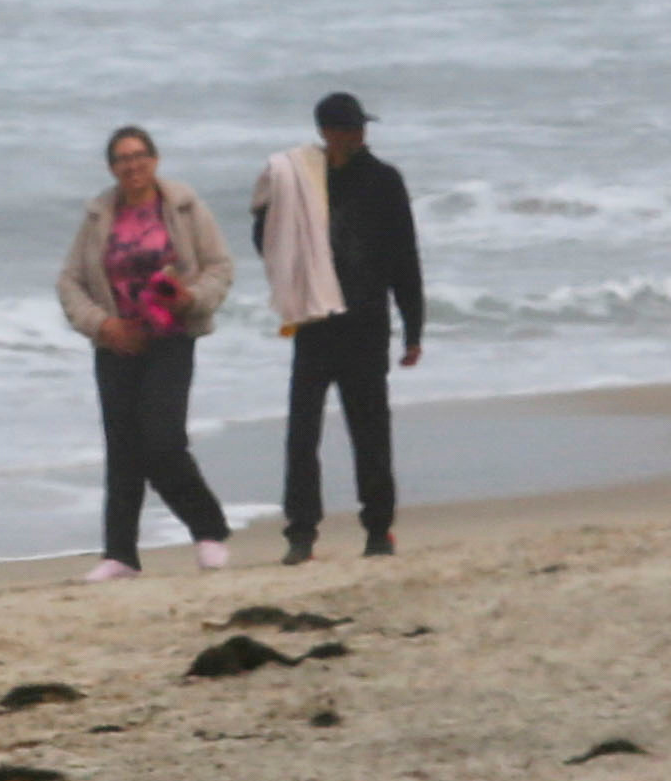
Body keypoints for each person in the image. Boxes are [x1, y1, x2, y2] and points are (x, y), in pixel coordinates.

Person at [251, 90, 429, 564]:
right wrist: (266, 212)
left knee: (370, 431)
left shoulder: (384, 181)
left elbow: (405, 258)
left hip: (367, 323)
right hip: (314, 322)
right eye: (349, 128)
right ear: (327, 132)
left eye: (360, 127)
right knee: (302, 432)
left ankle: (378, 530)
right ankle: (301, 533)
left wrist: (414, 329)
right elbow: (268, 240)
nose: (358, 134)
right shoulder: (301, 180)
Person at [54, 124, 235, 579]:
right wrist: (103, 325)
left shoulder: (185, 207)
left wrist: (192, 298)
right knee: (123, 449)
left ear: (154, 160)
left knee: (162, 440)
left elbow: (220, 266)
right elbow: (69, 280)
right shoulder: (99, 216)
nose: (132, 165)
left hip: (171, 337)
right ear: (112, 168)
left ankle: (208, 529)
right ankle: (119, 554)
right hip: (117, 342)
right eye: (122, 159)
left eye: (139, 156)